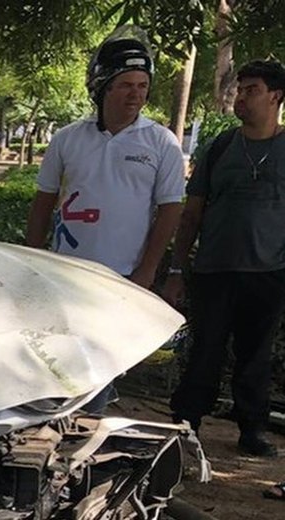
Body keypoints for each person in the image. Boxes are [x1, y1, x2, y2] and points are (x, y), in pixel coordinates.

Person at [24, 27, 185, 413]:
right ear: (101, 87)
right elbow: (44, 202)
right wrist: (30, 258)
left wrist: (147, 271)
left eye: (143, 86)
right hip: (64, 271)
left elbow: (170, 210)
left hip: (121, 275)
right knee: (59, 355)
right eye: (126, 85)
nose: (136, 94)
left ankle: (88, 420)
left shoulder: (161, 143)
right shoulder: (67, 139)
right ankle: (55, 418)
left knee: (103, 359)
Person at [164, 60, 285, 457]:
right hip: (214, 270)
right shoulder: (220, 148)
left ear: (276, 96)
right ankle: (187, 421)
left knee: (257, 355)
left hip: (269, 272)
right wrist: (179, 268)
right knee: (206, 350)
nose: (241, 97)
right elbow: (192, 212)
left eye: (251, 90)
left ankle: (252, 428)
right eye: (240, 89)